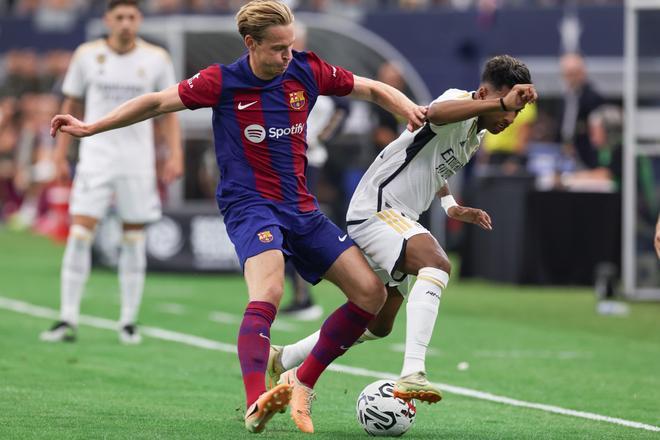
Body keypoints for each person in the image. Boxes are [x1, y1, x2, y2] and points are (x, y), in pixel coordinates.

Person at [48, 0, 426, 434]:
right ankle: (254, 404)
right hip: (250, 207)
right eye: (278, 48)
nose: (289, 55)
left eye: (291, 45)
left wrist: (410, 109)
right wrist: (92, 127)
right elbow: (154, 102)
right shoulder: (221, 81)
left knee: (370, 295)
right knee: (268, 290)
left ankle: (300, 380)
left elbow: (373, 89)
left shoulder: (306, 69)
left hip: (301, 206)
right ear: (251, 44)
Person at [268, 55, 536, 404]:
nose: (509, 118)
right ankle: (412, 373)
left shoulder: (475, 134)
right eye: (507, 108)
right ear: (485, 93)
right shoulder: (459, 99)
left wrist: (451, 206)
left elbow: (434, 166)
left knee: (379, 323)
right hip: (378, 207)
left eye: (515, 112)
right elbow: (433, 115)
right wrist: (499, 102)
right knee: (437, 264)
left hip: (400, 216)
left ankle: (285, 358)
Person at [40, 0, 183, 344]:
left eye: (131, 17)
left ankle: (128, 321)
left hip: (137, 160)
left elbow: (169, 110)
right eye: (119, 17)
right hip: (96, 157)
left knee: (133, 236)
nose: (125, 23)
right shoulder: (87, 55)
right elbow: (70, 104)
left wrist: (174, 154)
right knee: (79, 232)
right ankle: (67, 317)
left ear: (139, 19)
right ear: (107, 20)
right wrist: (60, 154)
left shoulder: (156, 59)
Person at [280, 22, 348, 321]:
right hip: (286, 161)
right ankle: (301, 294)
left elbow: (339, 108)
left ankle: (306, 294)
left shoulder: (310, 74)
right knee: (284, 228)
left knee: (296, 226)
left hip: (306, 162)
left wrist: (318, 138)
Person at [558, 53, 604, 170]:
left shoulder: (593, 98)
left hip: (586, 154)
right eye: (567, 75)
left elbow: (597, 132)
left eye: (573, 74)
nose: (570, 79)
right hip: (564, 153)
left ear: (582, 73)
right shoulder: (565, 97)